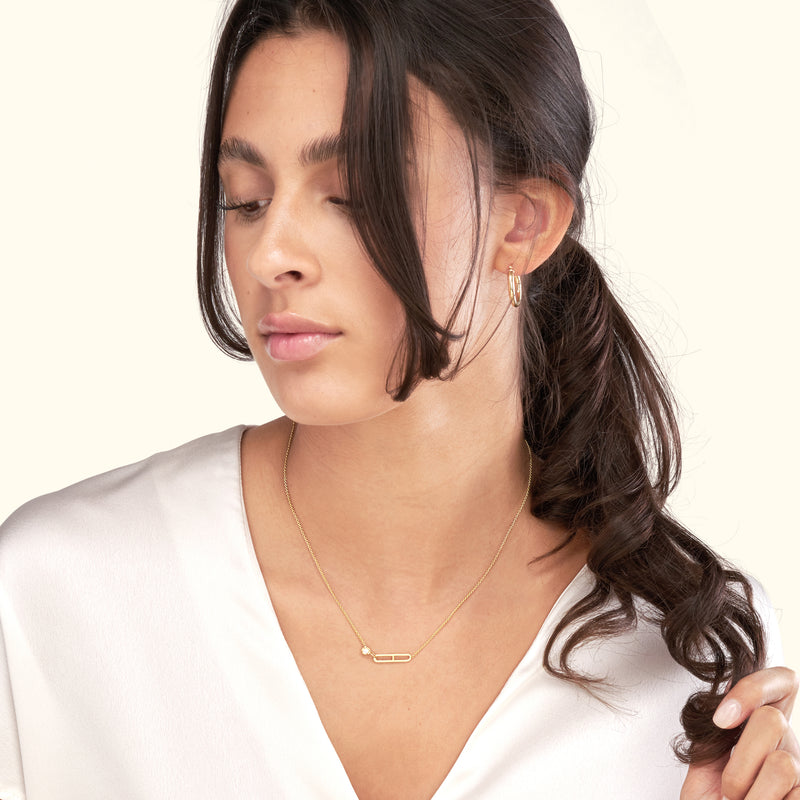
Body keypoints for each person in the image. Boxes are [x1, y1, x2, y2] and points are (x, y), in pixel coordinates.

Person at [0, 0, 797, 798]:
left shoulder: (695, 660)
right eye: (245, 199)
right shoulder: (57, 597)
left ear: (523, 224)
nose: (270, 253)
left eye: (347, 192)